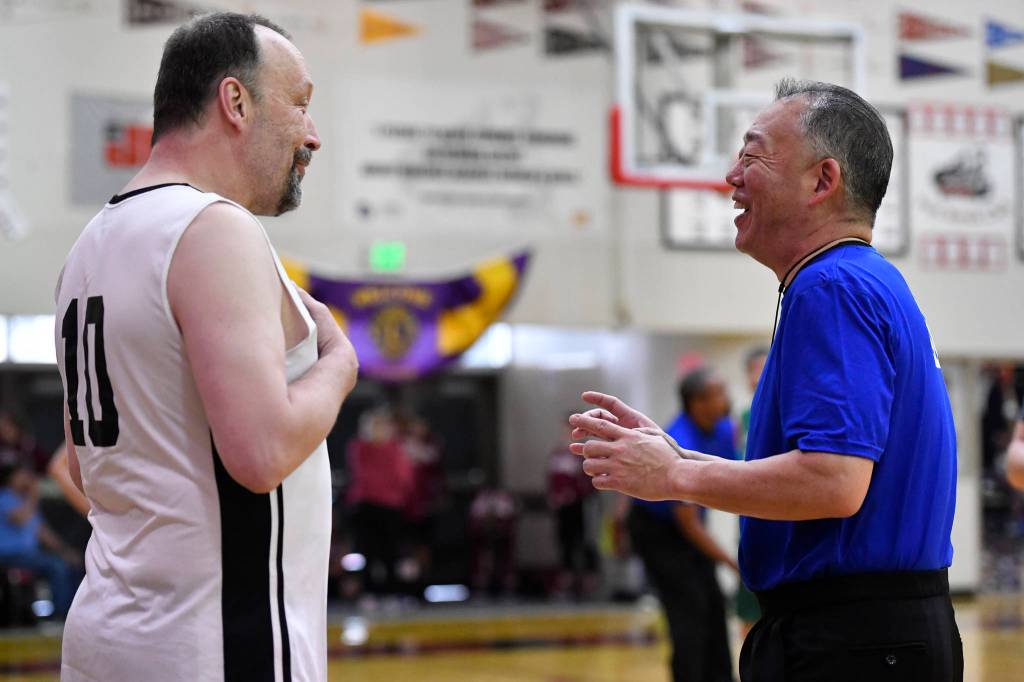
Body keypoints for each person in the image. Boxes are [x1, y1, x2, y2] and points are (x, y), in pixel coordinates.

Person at [569, 79, 961, 681]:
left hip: (853, 643)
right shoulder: (863, 281)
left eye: (752, 156)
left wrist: (674, 475)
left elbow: (834, 482)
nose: (730, 175)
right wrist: (679, 456)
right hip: (873, 635)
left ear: (822, 181)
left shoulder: (830, 287)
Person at [53, 12, 359, 681]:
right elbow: (261, 454)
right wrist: (340, 366)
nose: (312, 134)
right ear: (236, 101)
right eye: (301, 103)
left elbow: (85, 466)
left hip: (109, 639)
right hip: (215, 646)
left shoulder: (89, 248)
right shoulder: (214, 228)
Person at [628, 367, 737, 682]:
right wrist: (731, 562)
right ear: (697, 403)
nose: (725, 400)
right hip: (658, 532)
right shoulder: (680, 440)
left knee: (714, 606)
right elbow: (688, 524)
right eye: (718, 393)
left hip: (688, 527)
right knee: (689, 610)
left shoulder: (722, 429)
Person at [0, 453, 81, 618]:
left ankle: (75, 613)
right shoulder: (5, 497)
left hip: (29, 555)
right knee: (56, 567)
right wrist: (33, 494)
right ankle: (60, 616)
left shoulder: (25, 500)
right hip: (8, 555)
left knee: (70, 564)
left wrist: (66, 552)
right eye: (22, 475)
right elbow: (21, 519)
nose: (27, 479)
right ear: (12, 478)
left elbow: (44, 534)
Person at [346, 408, 413, 598]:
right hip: (366, 505)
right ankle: (369, 591)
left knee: (391, 551)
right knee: (367, 550)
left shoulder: (396, 448)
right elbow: (362, 474)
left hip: (390, 506)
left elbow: (403, 476)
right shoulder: (360, 447)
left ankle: (392, 591)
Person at [735, 348, 768, 638]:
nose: (758, 377)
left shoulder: (785, 410)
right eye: (753, 370)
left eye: (763, 369)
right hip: (749, 518)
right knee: (747, 604)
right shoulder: (743, 418)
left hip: (779, 515)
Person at [548, 417, 597, 598]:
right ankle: (567, 578)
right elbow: (552, 480)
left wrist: (577, 493)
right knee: (564, 540)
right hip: (563, 507)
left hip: (582, 505)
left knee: (584, 540)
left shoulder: (584, 454)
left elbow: (591, 482)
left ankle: (587, 579)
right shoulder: (557, 455)